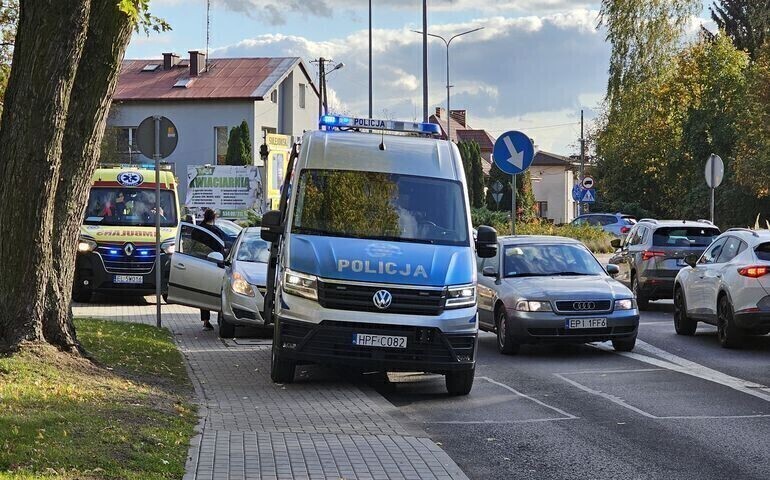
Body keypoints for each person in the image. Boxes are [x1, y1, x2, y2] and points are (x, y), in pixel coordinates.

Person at [199, 208, 226, 330]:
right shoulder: (216, 232)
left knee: (204, 293)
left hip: (200, 264)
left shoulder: (198, 230)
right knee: (220, 292)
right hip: (215, 265)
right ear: (214, 218)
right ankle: (222, 318)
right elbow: (221, 250)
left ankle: (206, 321)